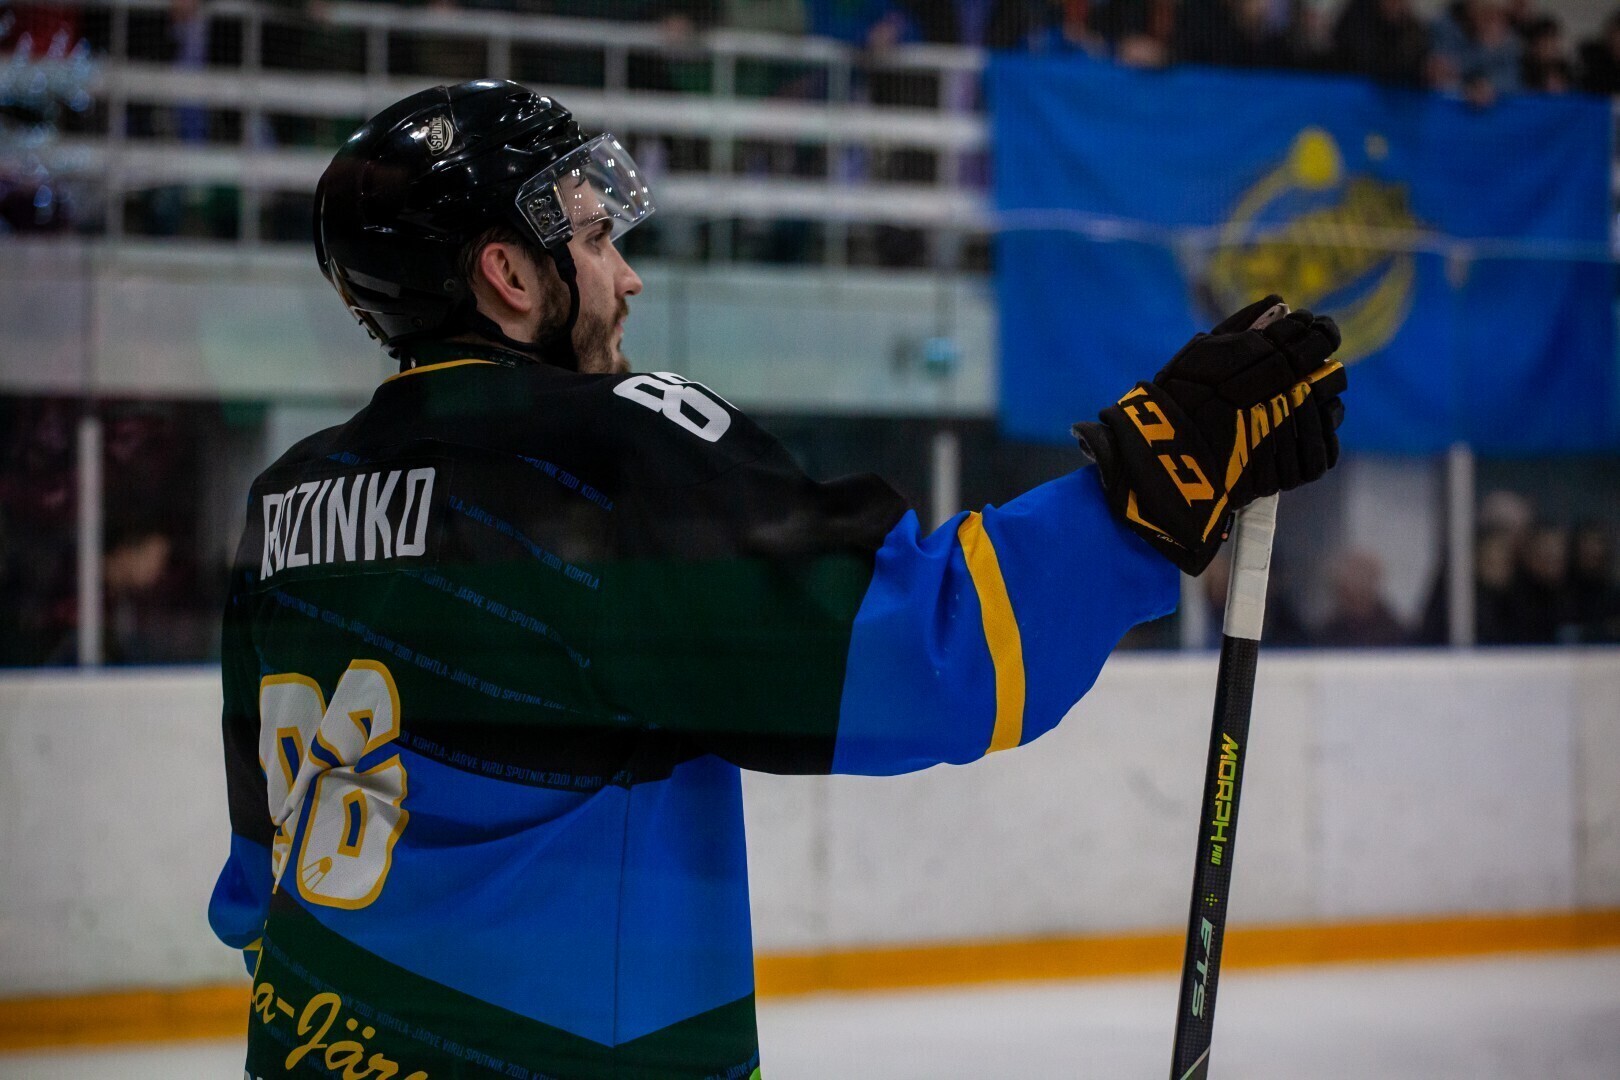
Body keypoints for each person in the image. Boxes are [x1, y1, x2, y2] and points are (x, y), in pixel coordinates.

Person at [207, 80, 1347, 1080]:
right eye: (596, 242)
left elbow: (257, 879)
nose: (626, 277)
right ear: (507, 274)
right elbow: (933, 656)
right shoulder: (602, 452)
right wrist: (1145, 491)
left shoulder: (285, 502)